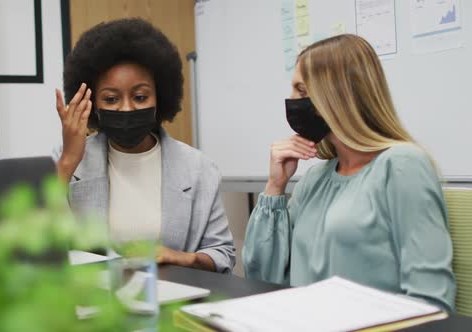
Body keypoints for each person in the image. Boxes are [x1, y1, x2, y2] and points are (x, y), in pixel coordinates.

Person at [242, 34, 455, 311]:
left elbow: (431, 301)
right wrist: (275, 186)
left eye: (302, 91)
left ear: (337, 95)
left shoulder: (402, 165)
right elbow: (263, 279)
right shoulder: (315, 179)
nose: (292, 101)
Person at [53, 18, 235, 273]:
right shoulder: (66, 162)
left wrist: (180, 257)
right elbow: (35, 241)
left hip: (173, 299)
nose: (127, 108)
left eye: (140, 97)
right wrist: (69, 160)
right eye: (112, 98)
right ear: (93, 103)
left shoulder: (199, 168)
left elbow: (223, 253)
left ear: (160, 97)